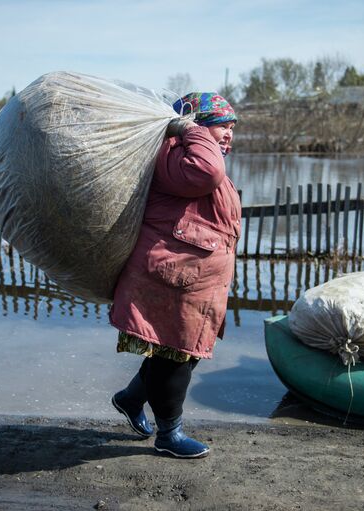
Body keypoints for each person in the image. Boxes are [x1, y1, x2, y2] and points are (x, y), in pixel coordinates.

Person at [109, 92, 240, 458]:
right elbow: (208, 172)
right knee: (177, 355)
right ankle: (170, 435)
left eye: (232, 128)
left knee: (180, 353)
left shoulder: (188, 155)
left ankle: (131, 399)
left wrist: (198, 133)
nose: (228, 135)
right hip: (172, 279)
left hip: (191, 280)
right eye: (220, 126)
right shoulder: (177, 156)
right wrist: (190, 129)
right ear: (194, 125)